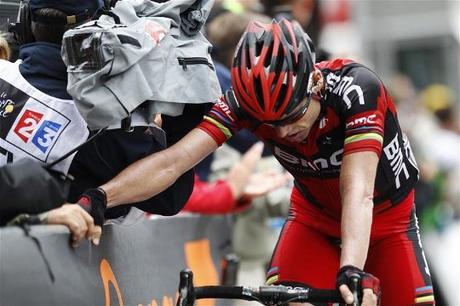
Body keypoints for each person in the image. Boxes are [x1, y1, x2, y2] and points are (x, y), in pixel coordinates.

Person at [81, 19, 434, 305]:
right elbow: (173, 162)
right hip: (313, 218)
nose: (283, 132)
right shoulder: (242, 104)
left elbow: (358, 192)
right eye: (271, 124)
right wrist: (99, 198)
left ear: (314, 82)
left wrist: (351, 269)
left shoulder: (357, 90)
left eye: (292, 115)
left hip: (387, 223)